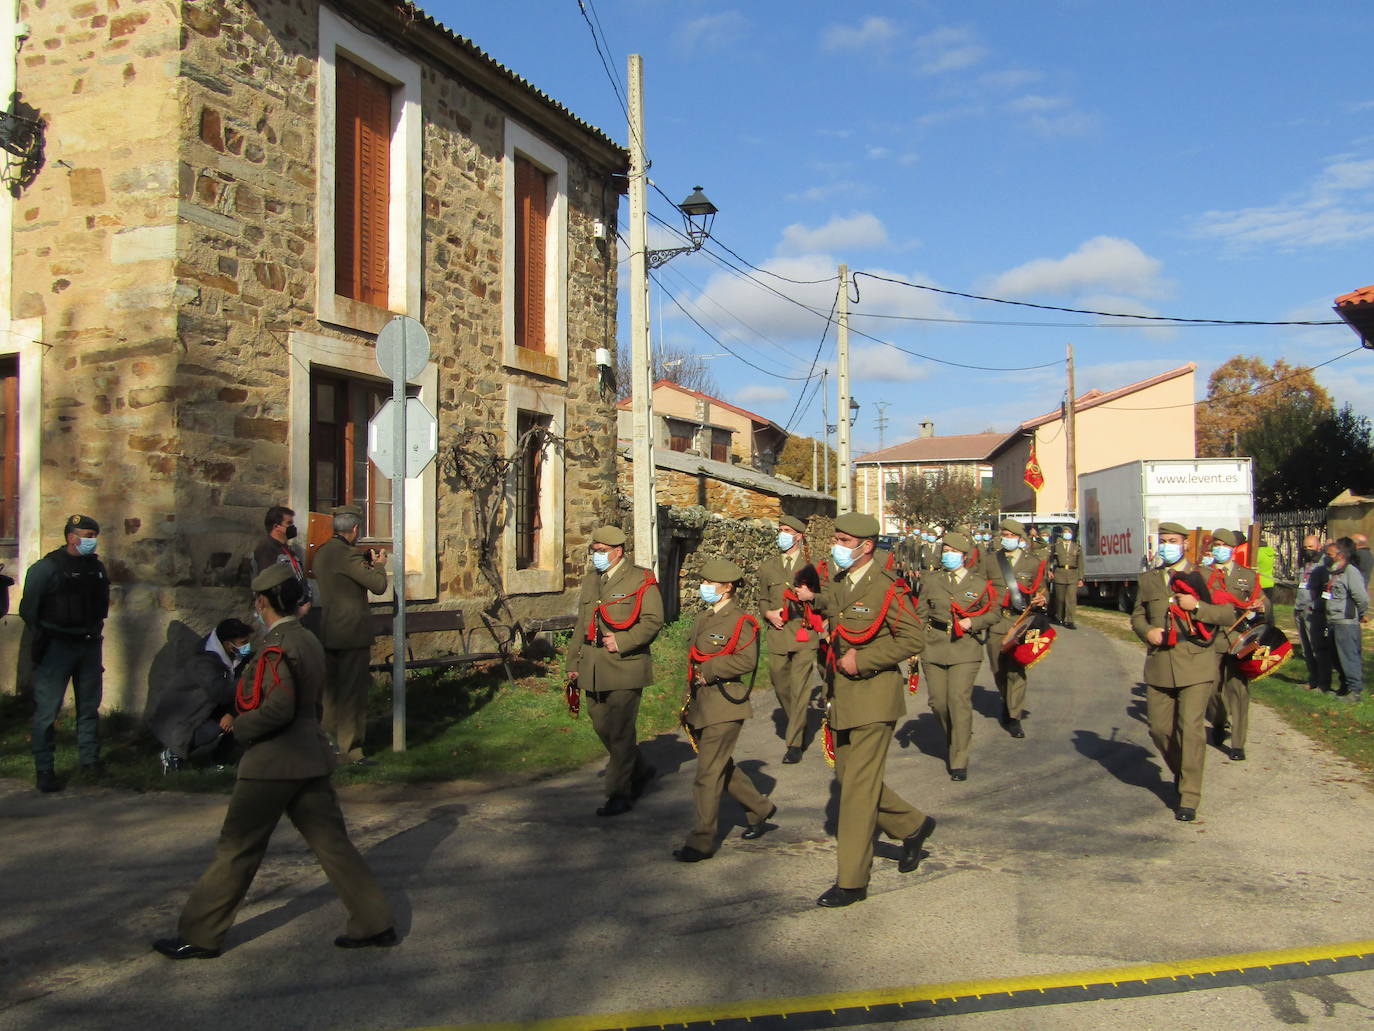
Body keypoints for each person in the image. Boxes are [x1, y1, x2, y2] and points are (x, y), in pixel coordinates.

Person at [153, 565, 395, 960]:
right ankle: (374, 920)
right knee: (333, 844)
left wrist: (242, 728)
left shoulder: (277, 645)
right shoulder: (308, 640)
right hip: (309, 756)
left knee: (237, 848)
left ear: (262, 601)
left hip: (273, 760)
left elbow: (278, 708)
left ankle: (200, 934)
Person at [794, 512, 934, 908]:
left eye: (842, 539)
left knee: (855, 789)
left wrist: (866, 659)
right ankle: (912, 825)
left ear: (866, 546)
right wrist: (810, 601)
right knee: (847, 775)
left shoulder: (887, 588)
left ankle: (852, 881)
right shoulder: (841, 583)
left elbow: (912, 638)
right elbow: (834, 616)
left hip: (874, 697)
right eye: (835, 538)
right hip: (842, 695)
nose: (835, 545)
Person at [1130, 521, 1234, 822]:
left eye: (1173, 540)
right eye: (1163, 540)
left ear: (1185, 543)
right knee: (1159, 729)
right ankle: (1182, 772)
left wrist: (1197, 606)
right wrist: (1147, 631)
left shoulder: (1204, 576)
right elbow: (1137, 614)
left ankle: (1189, 796)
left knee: (1191, 728)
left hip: (1196, 662)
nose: (1167, 545)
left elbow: (1227, 614)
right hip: (1160, 663)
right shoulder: (1149, 578)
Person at [674, 558, 775, 862]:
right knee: (719, 766)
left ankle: (701, 840)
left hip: (725, 704)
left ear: (727, 587)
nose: (703, 587)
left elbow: (746, 661)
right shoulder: (705, 617)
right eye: (703, 582)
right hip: (701, 703)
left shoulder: (741, 621)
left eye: (709, 583)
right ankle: (760, 807)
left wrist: (711, 669)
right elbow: (692, 660)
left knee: (707, 773)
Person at [566, 525, 664, 816]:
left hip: (625, 665)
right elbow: (581, 625)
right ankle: (641, 768)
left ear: (618, 551)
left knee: (621, 731)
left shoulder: (640, 579)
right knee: (601, 725)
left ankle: (619, 793)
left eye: (602, 552)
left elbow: (653, 620)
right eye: (594, 551)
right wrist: (573, 663)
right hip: (593, 665)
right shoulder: (590, 581)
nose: (596, 556)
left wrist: (622, 640)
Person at [19, 514, 110, 793]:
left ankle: (89, 762)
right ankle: (44, 768)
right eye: (87, 535)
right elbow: (28, 609)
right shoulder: (46, 569)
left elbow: (100, 606)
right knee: (47, 712)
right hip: (56, 646)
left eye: (94, 536)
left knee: (89, 707)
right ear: (72, 537)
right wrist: (45, 635)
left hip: (89, 644)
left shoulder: (96, 569)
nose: (91, 541)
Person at [916, 531, 1000, 781]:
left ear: (964, 556)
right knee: (938, 703)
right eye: (945, 551)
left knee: (958, 700)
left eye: (952, 551)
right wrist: (915, 644)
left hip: (965, 648)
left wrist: (972, 622)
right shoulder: (931, 580)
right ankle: (957, 736)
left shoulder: (979, 584)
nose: (947, 555)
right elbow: (921, 613)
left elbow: (994, 614)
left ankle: (959, 757)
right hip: (934, 645)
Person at [312, 505, 387, 765]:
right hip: (352, 632)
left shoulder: (322, 553)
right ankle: (351, 750)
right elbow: (378, 586)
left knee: (330, 694)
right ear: (355, 529)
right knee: (352, 693)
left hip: (329, 629)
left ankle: (329, 746)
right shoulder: (348, 555)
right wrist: (378, 566)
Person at [149, 618, 254, 771]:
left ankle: (220, 760)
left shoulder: (231, 658)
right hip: (182, 721)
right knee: (218, 727)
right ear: (227, 644)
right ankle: (172, 753)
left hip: (203, 711)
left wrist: (232, 712)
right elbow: (221, 693)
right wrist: (249, 679)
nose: (247, 646)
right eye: (243, 642)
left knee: (240, 714)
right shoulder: (204, 664)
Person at [758, 515, 821, 764]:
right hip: (778, 635)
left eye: (787, 530)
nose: (782, 534)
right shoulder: (768, 567)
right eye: (780, 529)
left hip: (804, 634)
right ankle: (799, 721)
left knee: (800, 687)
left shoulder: (814, 566)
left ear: (799, 535)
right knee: (781, 684)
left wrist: (811, 599)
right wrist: (767, 613)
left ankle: (794, 742)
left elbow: (825, 599)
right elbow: (762, 598)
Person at [985, 518, 1049, 739]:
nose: (1007, 539)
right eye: (1004, 535)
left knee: (1017, 670)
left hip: (1021, 622)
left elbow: (1042, 589)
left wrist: (1042, 599)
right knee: (998, 669)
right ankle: (1006, 699)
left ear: (1020, 538)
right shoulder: (991, 560)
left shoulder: (1033, 562)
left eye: (1011, 536)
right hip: (996, 622)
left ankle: (1014, 716)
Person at [1203, 529, 1264, 762]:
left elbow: (1261, 602)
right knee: (1212, 688)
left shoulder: (1246, 576)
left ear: (1231, 549)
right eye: (1215, 544)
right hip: (1212, 638)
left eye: (1223, 545)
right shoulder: (1203, 573)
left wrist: (1260, 607)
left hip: (1239, 639)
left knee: (1238, 691)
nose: (1218, 548)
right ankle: (1218, 721)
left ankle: (1238, 744)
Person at [1310, 541, 1369, 700]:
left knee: (1348, 655)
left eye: (1329, 555)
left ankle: (1355, 690)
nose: (1326, 557)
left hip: (1346, 621)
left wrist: (1360, 613)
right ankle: (1344, 687)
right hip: (1332, 620)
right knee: (1336, 656)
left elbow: (1361, 597)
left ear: (1340, 555)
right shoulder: (1333, 572)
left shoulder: (1351, 572)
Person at [1294, 534, 1323, 689]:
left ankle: (1321, 681)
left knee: (1315, 647)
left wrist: (1314, 606)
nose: (1307, 550)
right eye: (1305, 547)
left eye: (1311, 547)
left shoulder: (1322, 566)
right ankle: (1312, 678)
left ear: (1319, 546)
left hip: (1312, 612)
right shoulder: (1304, 565)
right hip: (1299, 610)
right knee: (1305, 649)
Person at [1050, 527, 1084, 629]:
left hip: (1072, 574)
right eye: (1065, 532)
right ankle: (1059, 616)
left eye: (1069, 532)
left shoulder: (1076, 547)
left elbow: (1081, 563)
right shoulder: (1056, 547)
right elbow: (1051, 560)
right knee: (1060, 599)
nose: (1067, 534)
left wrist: (1080, 578)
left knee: (1071, 599)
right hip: (1060, 573)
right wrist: (1050, 571)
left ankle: (1070, 620)